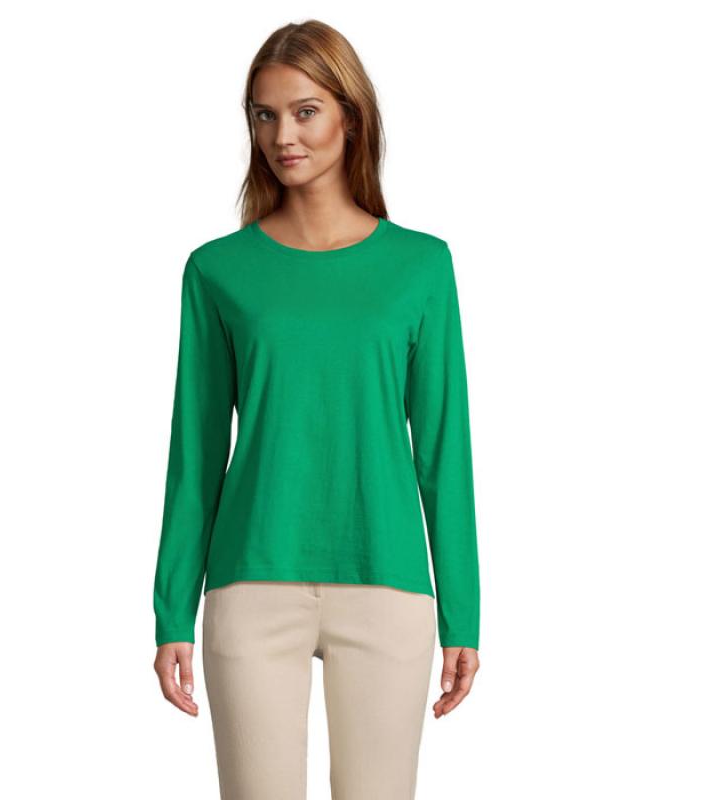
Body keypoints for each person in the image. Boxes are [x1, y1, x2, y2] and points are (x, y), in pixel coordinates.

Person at [152, 18, 481, 800]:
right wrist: (171, 610)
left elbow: (445, 451)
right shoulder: (218, 271)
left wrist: (462, 614)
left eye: (305, 112)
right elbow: (196, 451)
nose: (282, 136)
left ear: (350, 117)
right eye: (264, 115)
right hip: (250, 583)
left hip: (387, 582)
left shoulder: (421, 267)